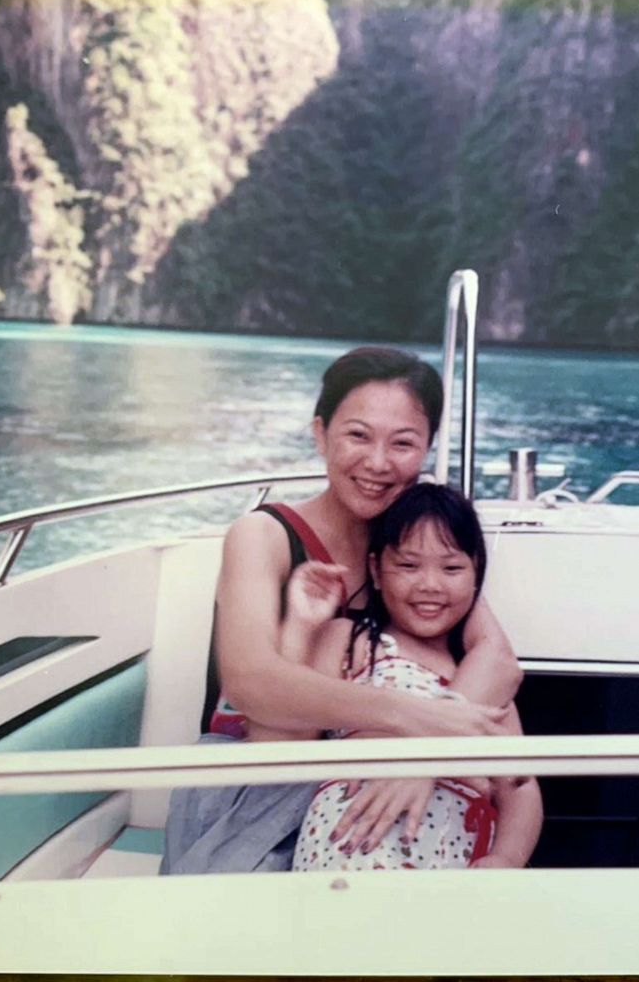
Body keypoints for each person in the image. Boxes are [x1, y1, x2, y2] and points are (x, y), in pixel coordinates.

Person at [160, 347, 521, 875]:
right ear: (320, 433)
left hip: (378, 782)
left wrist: (425, 755)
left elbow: (498, 657)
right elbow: (253, 680)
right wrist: (419, 725)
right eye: (357, 435)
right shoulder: (265, 535)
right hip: (260, 779)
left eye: (403, 443)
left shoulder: (412, 541)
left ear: (426, 449)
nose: (378, 463)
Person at [283, 483, 542, 871]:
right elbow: (291, 719)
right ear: (376, 570)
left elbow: (520, 789)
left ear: (476, 576)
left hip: (447, 863)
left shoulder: (478, 677)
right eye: (407, 566)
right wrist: (300, 626)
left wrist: (506, 857)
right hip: (344, 853)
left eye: (452, 568)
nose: (430, 585)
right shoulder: (352, 641)